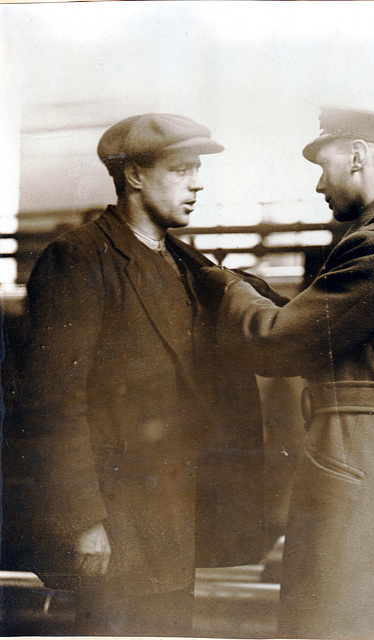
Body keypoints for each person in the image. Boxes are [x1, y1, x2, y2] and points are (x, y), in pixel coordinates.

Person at [199, 104, 374, 639]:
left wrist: (227, 286)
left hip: (370, 465)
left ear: (356, 156)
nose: (317, 185)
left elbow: (278, 346)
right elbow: (355, 336)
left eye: (322, 165)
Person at [18, 113, 279, 636]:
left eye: (198, 170)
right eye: (182, 169)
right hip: (114, 521)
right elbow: (52, 403)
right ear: (134, 175)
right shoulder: (79, 259)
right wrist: (84, 520)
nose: (198, 182)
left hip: (174, 515)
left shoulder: (186, 265)